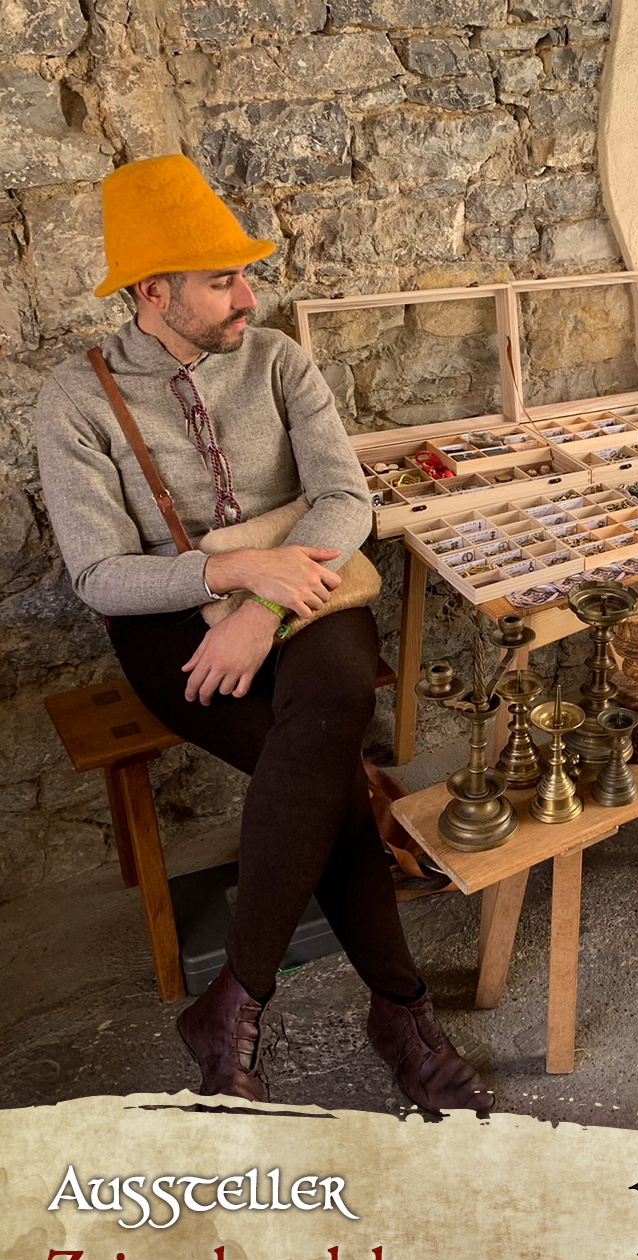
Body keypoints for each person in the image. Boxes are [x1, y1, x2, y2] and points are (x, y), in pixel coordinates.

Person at [35, 154, 494, 1114]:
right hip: (169, 620)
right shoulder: (75, 398)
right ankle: (401, 1016)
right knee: (325, 778)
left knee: (332, 703)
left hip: (311, 585)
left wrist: (266, 609)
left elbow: (345, 501)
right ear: (153, 292)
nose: (249, 296)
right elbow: (99, 576)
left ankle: (236, 1004)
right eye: (223, 281)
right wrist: (236, 574)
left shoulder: (278, 359)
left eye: (245, 275)